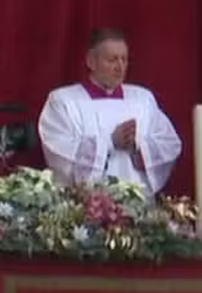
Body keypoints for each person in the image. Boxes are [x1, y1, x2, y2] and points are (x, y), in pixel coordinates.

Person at [37, 28, 181, 194]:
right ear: (91, 61)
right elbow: (59, 153)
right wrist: (110, 142)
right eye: (112, 59)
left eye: (124, 59)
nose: (119, 67)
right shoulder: (64, 101)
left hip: (139, 206)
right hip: (84, 208)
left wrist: (139, 148)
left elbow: (169, 145)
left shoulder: (142, 99)